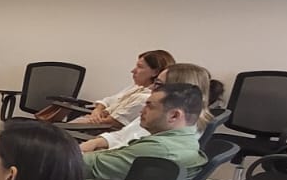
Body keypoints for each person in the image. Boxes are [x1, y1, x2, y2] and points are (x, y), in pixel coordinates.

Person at [82, 82, 208, 180]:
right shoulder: (187, 142)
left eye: (150, 106)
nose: (142, 111)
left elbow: (86, 166)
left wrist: (73, 152)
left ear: (174, 115)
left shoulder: (159, 149)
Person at [81, 63, 223, 153]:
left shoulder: (167, 125)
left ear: (179, 90)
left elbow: (122, 155)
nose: (151, 88)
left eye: (158, 84)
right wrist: (95, 143)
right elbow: (124, 135)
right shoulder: (161, 113)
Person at [66, 49, 174, 130]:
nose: (133, 70)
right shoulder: (136, 87)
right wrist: (97, 111)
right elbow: (108, 101)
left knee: (59, 132)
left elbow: (112, 122)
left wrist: (94, 117)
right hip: (93, 122)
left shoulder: (145, 98)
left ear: (155, 72)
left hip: (97, 130)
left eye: (140, 67)